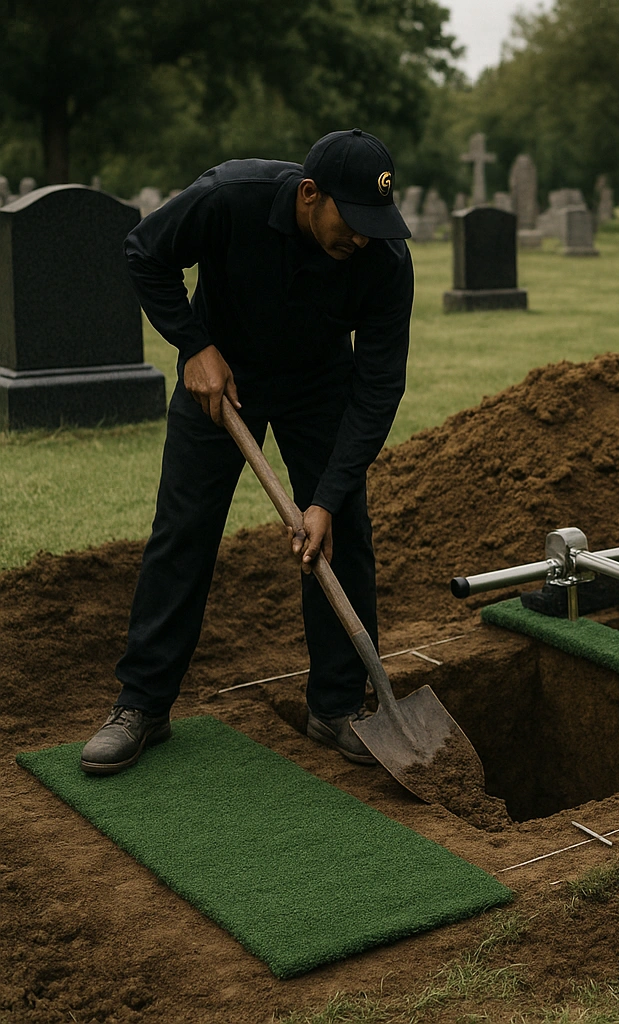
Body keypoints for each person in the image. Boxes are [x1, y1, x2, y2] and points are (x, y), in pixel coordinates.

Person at [80, 129, 415, 775]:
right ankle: (143, 704)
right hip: (221, 377)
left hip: (320, 387)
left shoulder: (383, 261)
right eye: (352, 221)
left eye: (376, 223)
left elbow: (377, 389)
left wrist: (325, 499)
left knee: (342, 530)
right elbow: (145, 252)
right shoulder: (229, 197)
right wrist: (193, 345)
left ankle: (338, 705)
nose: (363, 239)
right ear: (310, 195)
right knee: (184, 531)